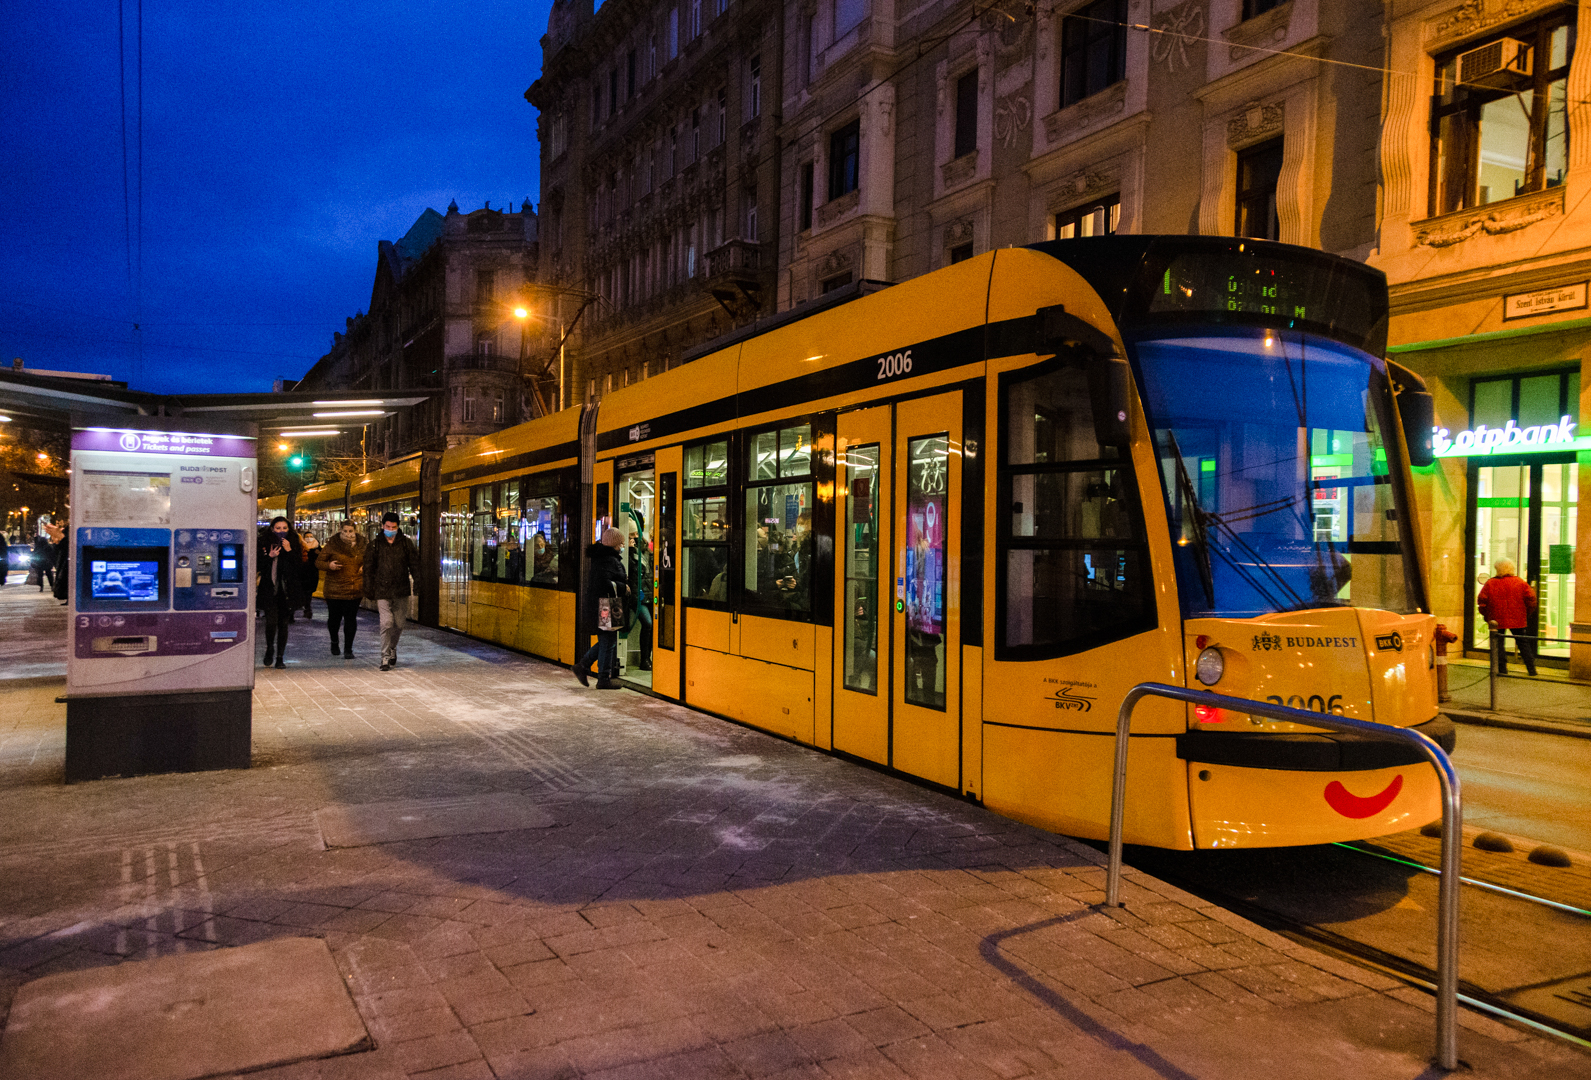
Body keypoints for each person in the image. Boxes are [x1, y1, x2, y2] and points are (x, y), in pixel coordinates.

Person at [364, 511, 419, 671]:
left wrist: (418, 583)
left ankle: (392, 647)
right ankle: (385, 657)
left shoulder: (406, 544)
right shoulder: (374, 545)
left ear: (398, 527)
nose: (390, 529)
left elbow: (414, 564)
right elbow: (368, 569)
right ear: (382, 526)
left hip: (401, 590)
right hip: (382, 590)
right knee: (387, 623)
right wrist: (368, 589)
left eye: (393, 527)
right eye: (387, 527)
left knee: (399, 624)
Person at [576, 527, 629, 689]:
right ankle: (603, 678)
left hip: (605, 605)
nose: (623, 546)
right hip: (607, 605)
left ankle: (583, 666)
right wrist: (623, 587)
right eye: (621, 543)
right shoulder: (608, 559)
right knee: (608, 640)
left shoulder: (603, 557)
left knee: (607, 640)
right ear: (614, 544)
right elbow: (604, 583)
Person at [257, 516, 306, 668]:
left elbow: (300, 567)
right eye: (278, 528)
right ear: (272, 529)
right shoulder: (264, 543)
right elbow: (257, 565)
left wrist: (289, 551)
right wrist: (269, 557)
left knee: (283, 624)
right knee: (271, 622)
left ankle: (280, 657)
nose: (281, 531)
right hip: (270, 590)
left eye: (284, 528)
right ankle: (269, 648)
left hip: (286, 592)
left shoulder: (293, 543)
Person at [1477, 559, 1538, 676]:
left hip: (1496, 619)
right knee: (1523, 643)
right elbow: (1531, 599)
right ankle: (1531, 669)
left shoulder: (1490, 583)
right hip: (1518, 618)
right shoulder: (1520, 582)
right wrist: (1527, 613)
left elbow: (1482, 601)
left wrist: (1486, 616)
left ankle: (1502, 669)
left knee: (1498, 645)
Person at [317, 521, 367, 659]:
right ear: (340, 531)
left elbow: (370, 559)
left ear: (356, 531)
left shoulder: (363, 545)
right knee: (334, 619)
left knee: (351, 619)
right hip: (334, 590)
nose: (348, 534)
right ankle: (334, 642)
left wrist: (366, 566)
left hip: (354, 588)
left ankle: (348, 649)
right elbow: (318, 562)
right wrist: (329, 565)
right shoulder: (332, 545)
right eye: (345, 531)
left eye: (350, 531)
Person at [298, 531, 321, 620]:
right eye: (307, 536)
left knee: (309, 591)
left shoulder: (317, 546)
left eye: (310, 536)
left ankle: (307, 607)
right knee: (305, 591)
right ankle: (307, 608)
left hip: (313, 572)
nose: (309, 538)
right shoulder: (301, 546)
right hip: (302, 572)